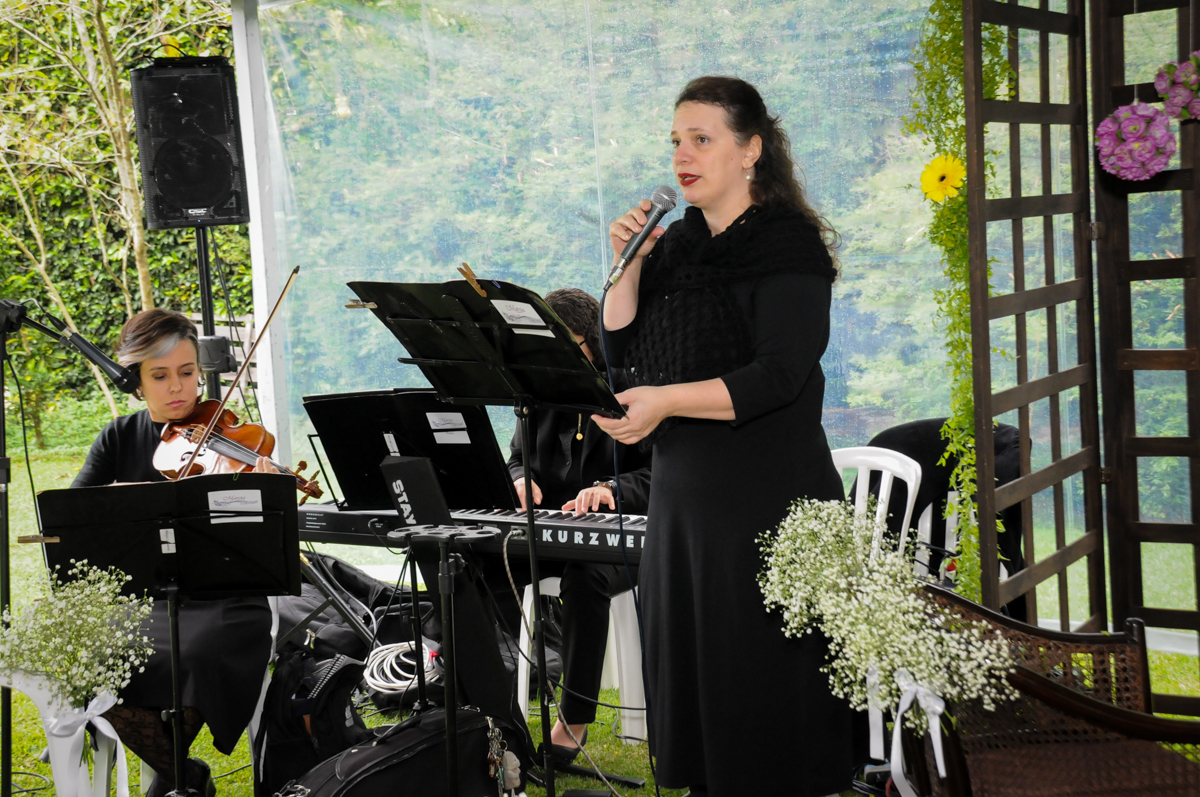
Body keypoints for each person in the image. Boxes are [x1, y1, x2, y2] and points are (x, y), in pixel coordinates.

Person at [594, 76, 861, 796]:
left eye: (701, 139)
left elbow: (777, 375)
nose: (682, 154)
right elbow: (622, 358)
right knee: (704, 717)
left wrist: (663, 403)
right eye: (675, 140)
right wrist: (627, 266)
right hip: (685, 510)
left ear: (751, 150)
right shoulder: (675, 247)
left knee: (767, 715)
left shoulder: (789, 247)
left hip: (767, 508)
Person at [72, 308, 277, 797]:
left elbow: (260, 544)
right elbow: (75, 521)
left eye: (187, 373)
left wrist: (265, 495)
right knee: (88, 657)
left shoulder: (228, 440)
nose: (177, 388)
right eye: (159, 376)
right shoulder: (118, 438)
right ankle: (182, 774)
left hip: (222, 598)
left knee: (203, 648)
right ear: (137, 380)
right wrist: (115, 503)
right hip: (140, 598)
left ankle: (171, 775)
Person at [503, 287, 652, 760]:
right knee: (478, 563)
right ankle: (493, 704)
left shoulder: (632, 388)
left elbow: (663, 472)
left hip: (625, 540)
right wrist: (522, 478)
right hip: (550, 531)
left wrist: (611, 489)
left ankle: (574, 720)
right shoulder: (539, 391)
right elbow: (515, 459)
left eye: (562, 346)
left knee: (585, 576)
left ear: (591, 343)